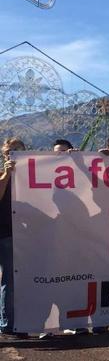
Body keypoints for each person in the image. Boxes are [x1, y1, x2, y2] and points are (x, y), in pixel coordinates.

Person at [0, 138, 28, 339]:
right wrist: (7, 174)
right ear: (4, 155)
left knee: (10, 280)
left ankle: (7, 324)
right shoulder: (3, 174)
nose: (13, 154)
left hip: (13, 235)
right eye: (10, 151)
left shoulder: (32, 176)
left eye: (18, 150)